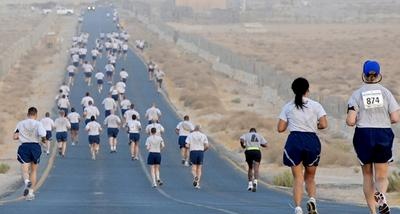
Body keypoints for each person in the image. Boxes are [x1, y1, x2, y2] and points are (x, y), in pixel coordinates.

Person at [346, 60, 399, 214]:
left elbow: (350, 121)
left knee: (367, 175)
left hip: (363, 135)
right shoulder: (386, 93)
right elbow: (395, 118)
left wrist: (355, 118)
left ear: (363, 74)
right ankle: (381, 196)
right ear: (378, 74)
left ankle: (373, 212)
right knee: (382, 176)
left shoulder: (357, 94)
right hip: (383, 133)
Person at [277, 77, 328, 214]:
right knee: (310, 177)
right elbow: (323, 124)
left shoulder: (288, 106)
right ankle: (312, 199)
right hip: (311, 140)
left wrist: (292, 122)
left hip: (294, 140)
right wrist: (312, 125)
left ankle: (298, 208)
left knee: (298, 177)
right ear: (308, 90)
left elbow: (280, 128)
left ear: (293, 90)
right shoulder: (316, 105)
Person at [13, 107, 46, 200]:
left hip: (24, 147)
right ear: (36, 115)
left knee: (25, 169)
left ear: (27, 114)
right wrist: (43, 141)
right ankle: (31, 193)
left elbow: (15, 136)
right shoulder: (38, 123)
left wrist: (22, 136)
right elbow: (43, 135)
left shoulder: (20, 123)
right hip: (35, 146)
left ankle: (27, 181)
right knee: (34, 170)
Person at [240, 128, 268, 192]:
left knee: (250, 167)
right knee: (256, 168)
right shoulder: (259, 135)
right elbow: (265, 144)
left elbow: (241, 140)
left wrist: (243, 145)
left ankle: (250, 184)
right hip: (257, 151)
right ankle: (255, 182)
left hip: (248, 151)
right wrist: (259, 144)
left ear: (250, 131)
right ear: (255, 132)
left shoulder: (246, 135)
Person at [185, 125, 209, 189]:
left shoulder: (190, 135)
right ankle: (197, 184)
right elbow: (207, 146)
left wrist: (189, 148)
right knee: (199, 168)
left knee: (193, 168)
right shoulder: (203, 135)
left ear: (194, 129)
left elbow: (186, 145)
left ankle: (195, 176)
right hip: (200, 152)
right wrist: (203, 150)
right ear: (200, 129)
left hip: (193, 152)